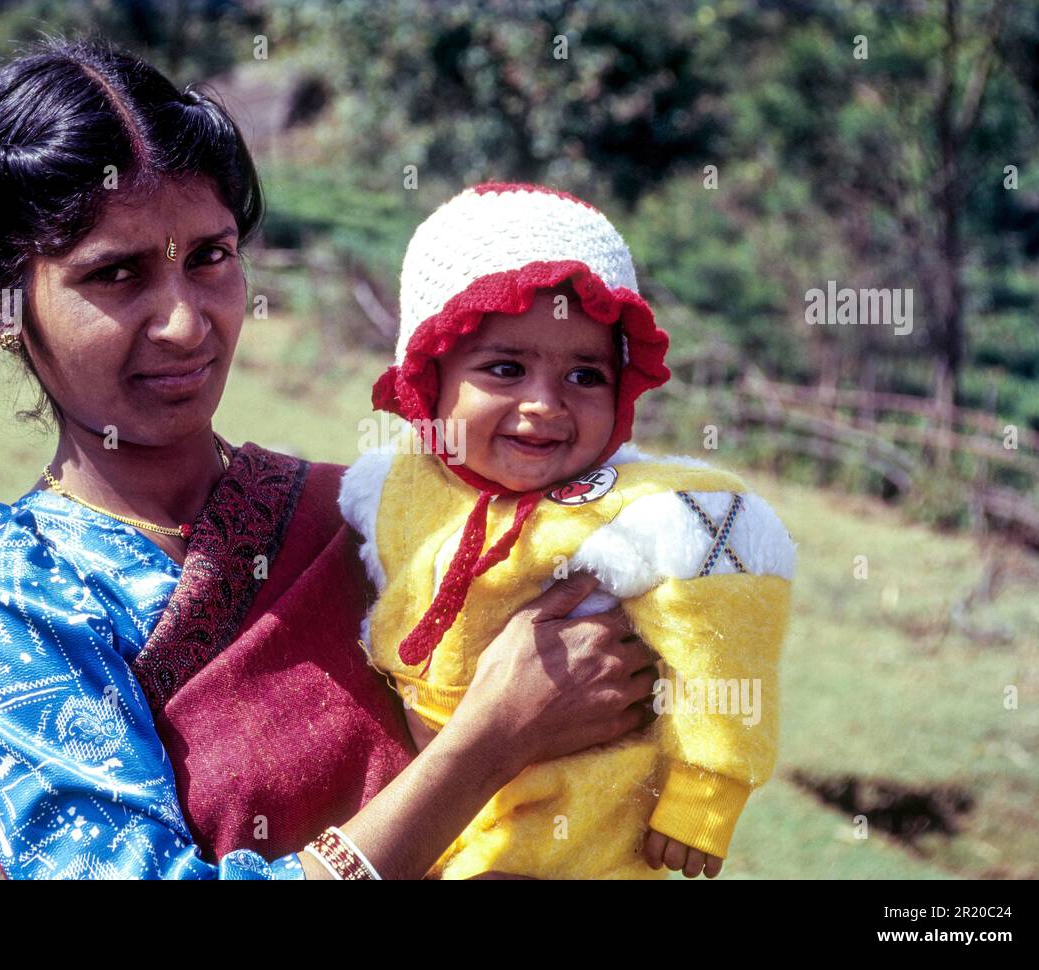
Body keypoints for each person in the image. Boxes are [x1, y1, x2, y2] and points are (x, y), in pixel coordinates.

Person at [0, 39, 661, 880]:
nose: (184, 322)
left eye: (211, 257)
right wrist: (488, 740)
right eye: (115, 274)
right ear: (2, 307)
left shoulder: (364, 515)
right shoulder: (4, 586)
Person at [338, 182, 798, 879]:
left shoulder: (653, 511)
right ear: (428, 375)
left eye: (585, 374)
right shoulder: (397, 484)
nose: (544, 405)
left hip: (581, 832)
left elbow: (728, 638)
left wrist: (709, 785)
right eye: (505, 368)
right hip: (434, 804)